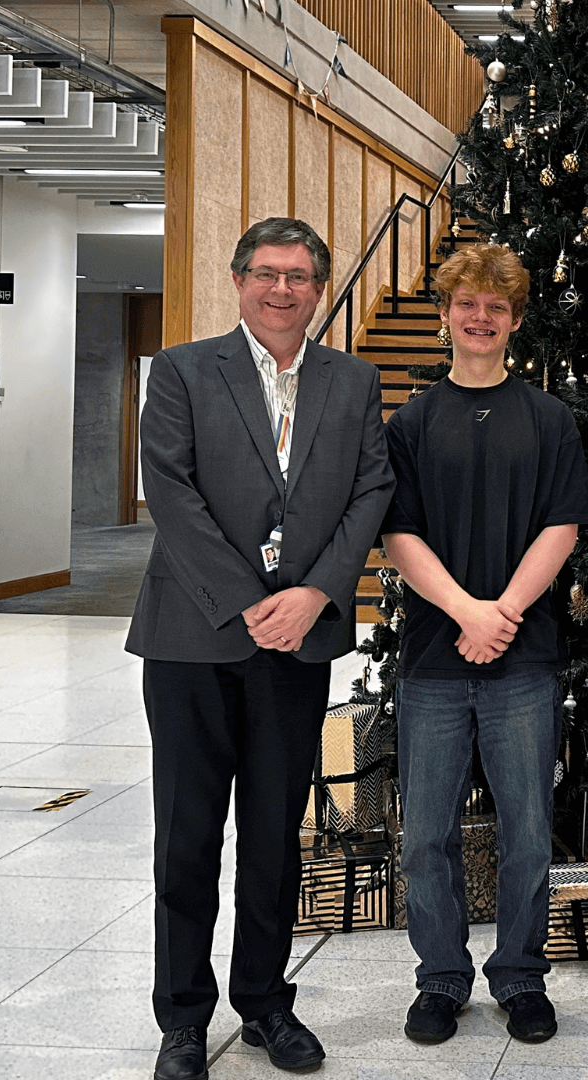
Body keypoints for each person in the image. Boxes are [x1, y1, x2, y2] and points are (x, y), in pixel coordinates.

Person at [128, 217, 395, 1080]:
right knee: (188, 835)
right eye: (267, 274)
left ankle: (265, 1003)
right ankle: (181, 1017)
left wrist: (317, 592)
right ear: (238, 281)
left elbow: (370, 490)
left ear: (319, 289)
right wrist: (252, 604)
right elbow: (168, 491)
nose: (283, 290)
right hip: (193, 640)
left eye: (300, 276)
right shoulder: (181, 371)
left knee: (276, 833)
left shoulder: (352, 381)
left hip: (299, 639)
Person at [380, 243, 588, 1047]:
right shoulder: (411, 421)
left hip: (524, 659)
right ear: (445, 316)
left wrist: (500, 610)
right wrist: (466, 611)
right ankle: (439, 981)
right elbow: (397, 533)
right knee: (427, 830)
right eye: (466, 305)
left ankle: (520, 977)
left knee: (528, 831)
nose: (480, 318)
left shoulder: (546, 420)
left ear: (514, 320)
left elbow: (563, 526)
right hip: (435, 661)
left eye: (495, 307)